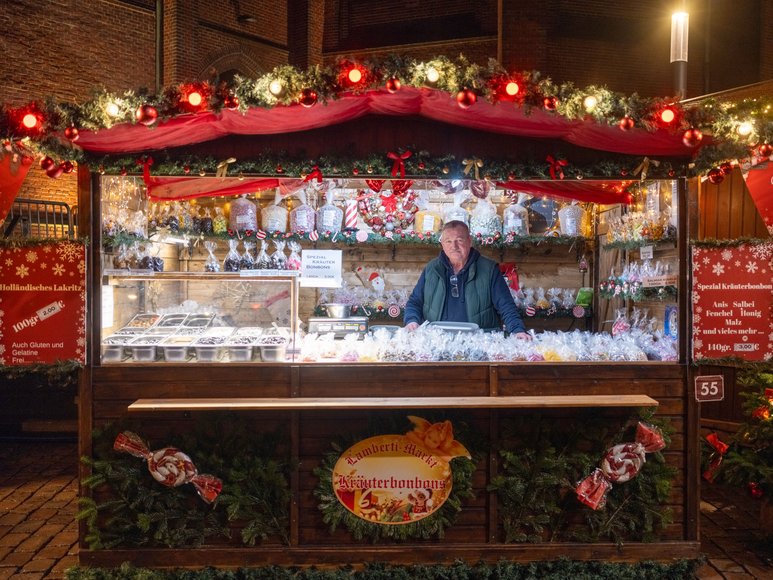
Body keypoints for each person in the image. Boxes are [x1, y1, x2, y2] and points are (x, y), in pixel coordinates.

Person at [404, 220, 530, 339]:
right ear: (442, 244)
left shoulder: (489, 269)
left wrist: (517, 330)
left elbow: (506, 306)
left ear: (469, 241)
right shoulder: (432, 269)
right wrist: (412, 321)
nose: (454, 246)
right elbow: (415, 302)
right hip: (436, 340)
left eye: (459, 240)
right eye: (448, 241)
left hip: (480, 341)